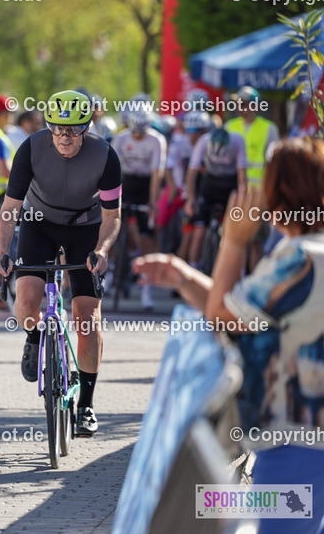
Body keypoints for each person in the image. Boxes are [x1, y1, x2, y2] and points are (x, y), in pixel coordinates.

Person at [134, 138, 324, 534]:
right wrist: (182, 277)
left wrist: (234, 241)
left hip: (296, 443)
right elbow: (242, 313)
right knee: (212, 505)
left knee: (211, 508)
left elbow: (223, 315)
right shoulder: (308, 252)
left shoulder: (302, 257)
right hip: (303, 444)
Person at [0, 89, 122, 438]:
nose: (65, 137)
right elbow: (10, 209)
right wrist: (2, 252)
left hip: (86, 228)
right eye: (58, 129)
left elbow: (113, 215)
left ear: (87, 126)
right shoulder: (31, 149)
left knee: (87, 317)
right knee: (27, 301)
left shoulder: (105, 156)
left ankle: (87, 405)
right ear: (48, 126)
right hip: (39, 224)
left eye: (74, 130)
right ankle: (34, 336)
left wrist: (103, 250)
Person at [111, 109, 166, 309]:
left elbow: (157, 172)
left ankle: (146, 290)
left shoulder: (157, 140)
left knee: (145, 236)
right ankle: (112, 271)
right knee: (112, 225)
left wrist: (152, 203)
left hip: (146, 185)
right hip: (127, 182)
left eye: (141, 134)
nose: (138, 137)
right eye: (135, 133)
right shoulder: (121, 138)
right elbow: (112, 169)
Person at [225, 86, 279, 267]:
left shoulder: (268, 128)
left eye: (245, 104)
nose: (241, 107)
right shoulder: (230, 127)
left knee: (256, 241)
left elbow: (274, 164)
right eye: (238, 103)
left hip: (257, 194)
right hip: (232, 191)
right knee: (234, 241)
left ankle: (254, 277)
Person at [185, 127, 246, 272]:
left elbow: (242, 176)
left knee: (234, 233)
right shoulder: (203, 141)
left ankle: (238, 272)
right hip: (210, 185)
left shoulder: (238, 141)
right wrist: (191, 198)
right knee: (199, 232)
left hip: (230, 185)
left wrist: (242, 201)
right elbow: (192, 174)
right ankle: (193, 270)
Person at [163, 111, 212, 263]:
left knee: (199, 234)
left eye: (197, 131)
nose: (193, 135)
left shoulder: (209, 142)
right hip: (184, 190)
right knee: (189, 236)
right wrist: (174, 189)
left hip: (206, 191)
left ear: (205, 131)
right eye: (189, 130)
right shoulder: (179, 143)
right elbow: (169, 169)